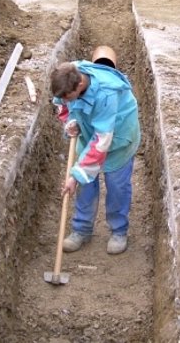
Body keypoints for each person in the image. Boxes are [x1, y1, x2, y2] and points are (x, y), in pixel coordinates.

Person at [50, 60, 141, 255]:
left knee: (117, 186)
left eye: (69, 97)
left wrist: (75, 176)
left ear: (80, 85)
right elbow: (60, 105)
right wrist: (70, 121)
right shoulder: (67, 78)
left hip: (118, 137)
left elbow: (102, 141)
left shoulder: (106, 94)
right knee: (86, 184)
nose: (65, 100)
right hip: (90, 130)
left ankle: (118, 231)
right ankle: (81, 229)